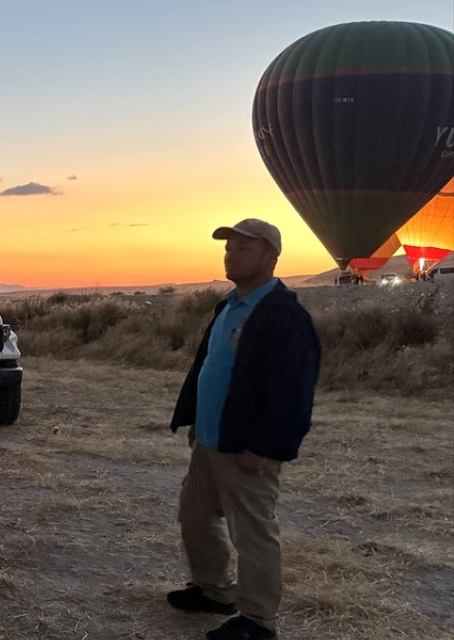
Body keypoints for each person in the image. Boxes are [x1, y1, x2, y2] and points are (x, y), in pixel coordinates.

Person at [166, 219, 320, 640]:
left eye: (243, 248)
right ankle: (215, 592)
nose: (231, 254)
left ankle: (257, 621)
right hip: (211, 441)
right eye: (228, 248)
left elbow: (292, 390)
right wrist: (196, 419)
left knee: (252, 533)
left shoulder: (283, 316)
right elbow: (208, 368)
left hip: (247, 448)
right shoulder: (228, 306)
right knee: (194, 517)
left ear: (271, 256)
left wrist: (264, 446)